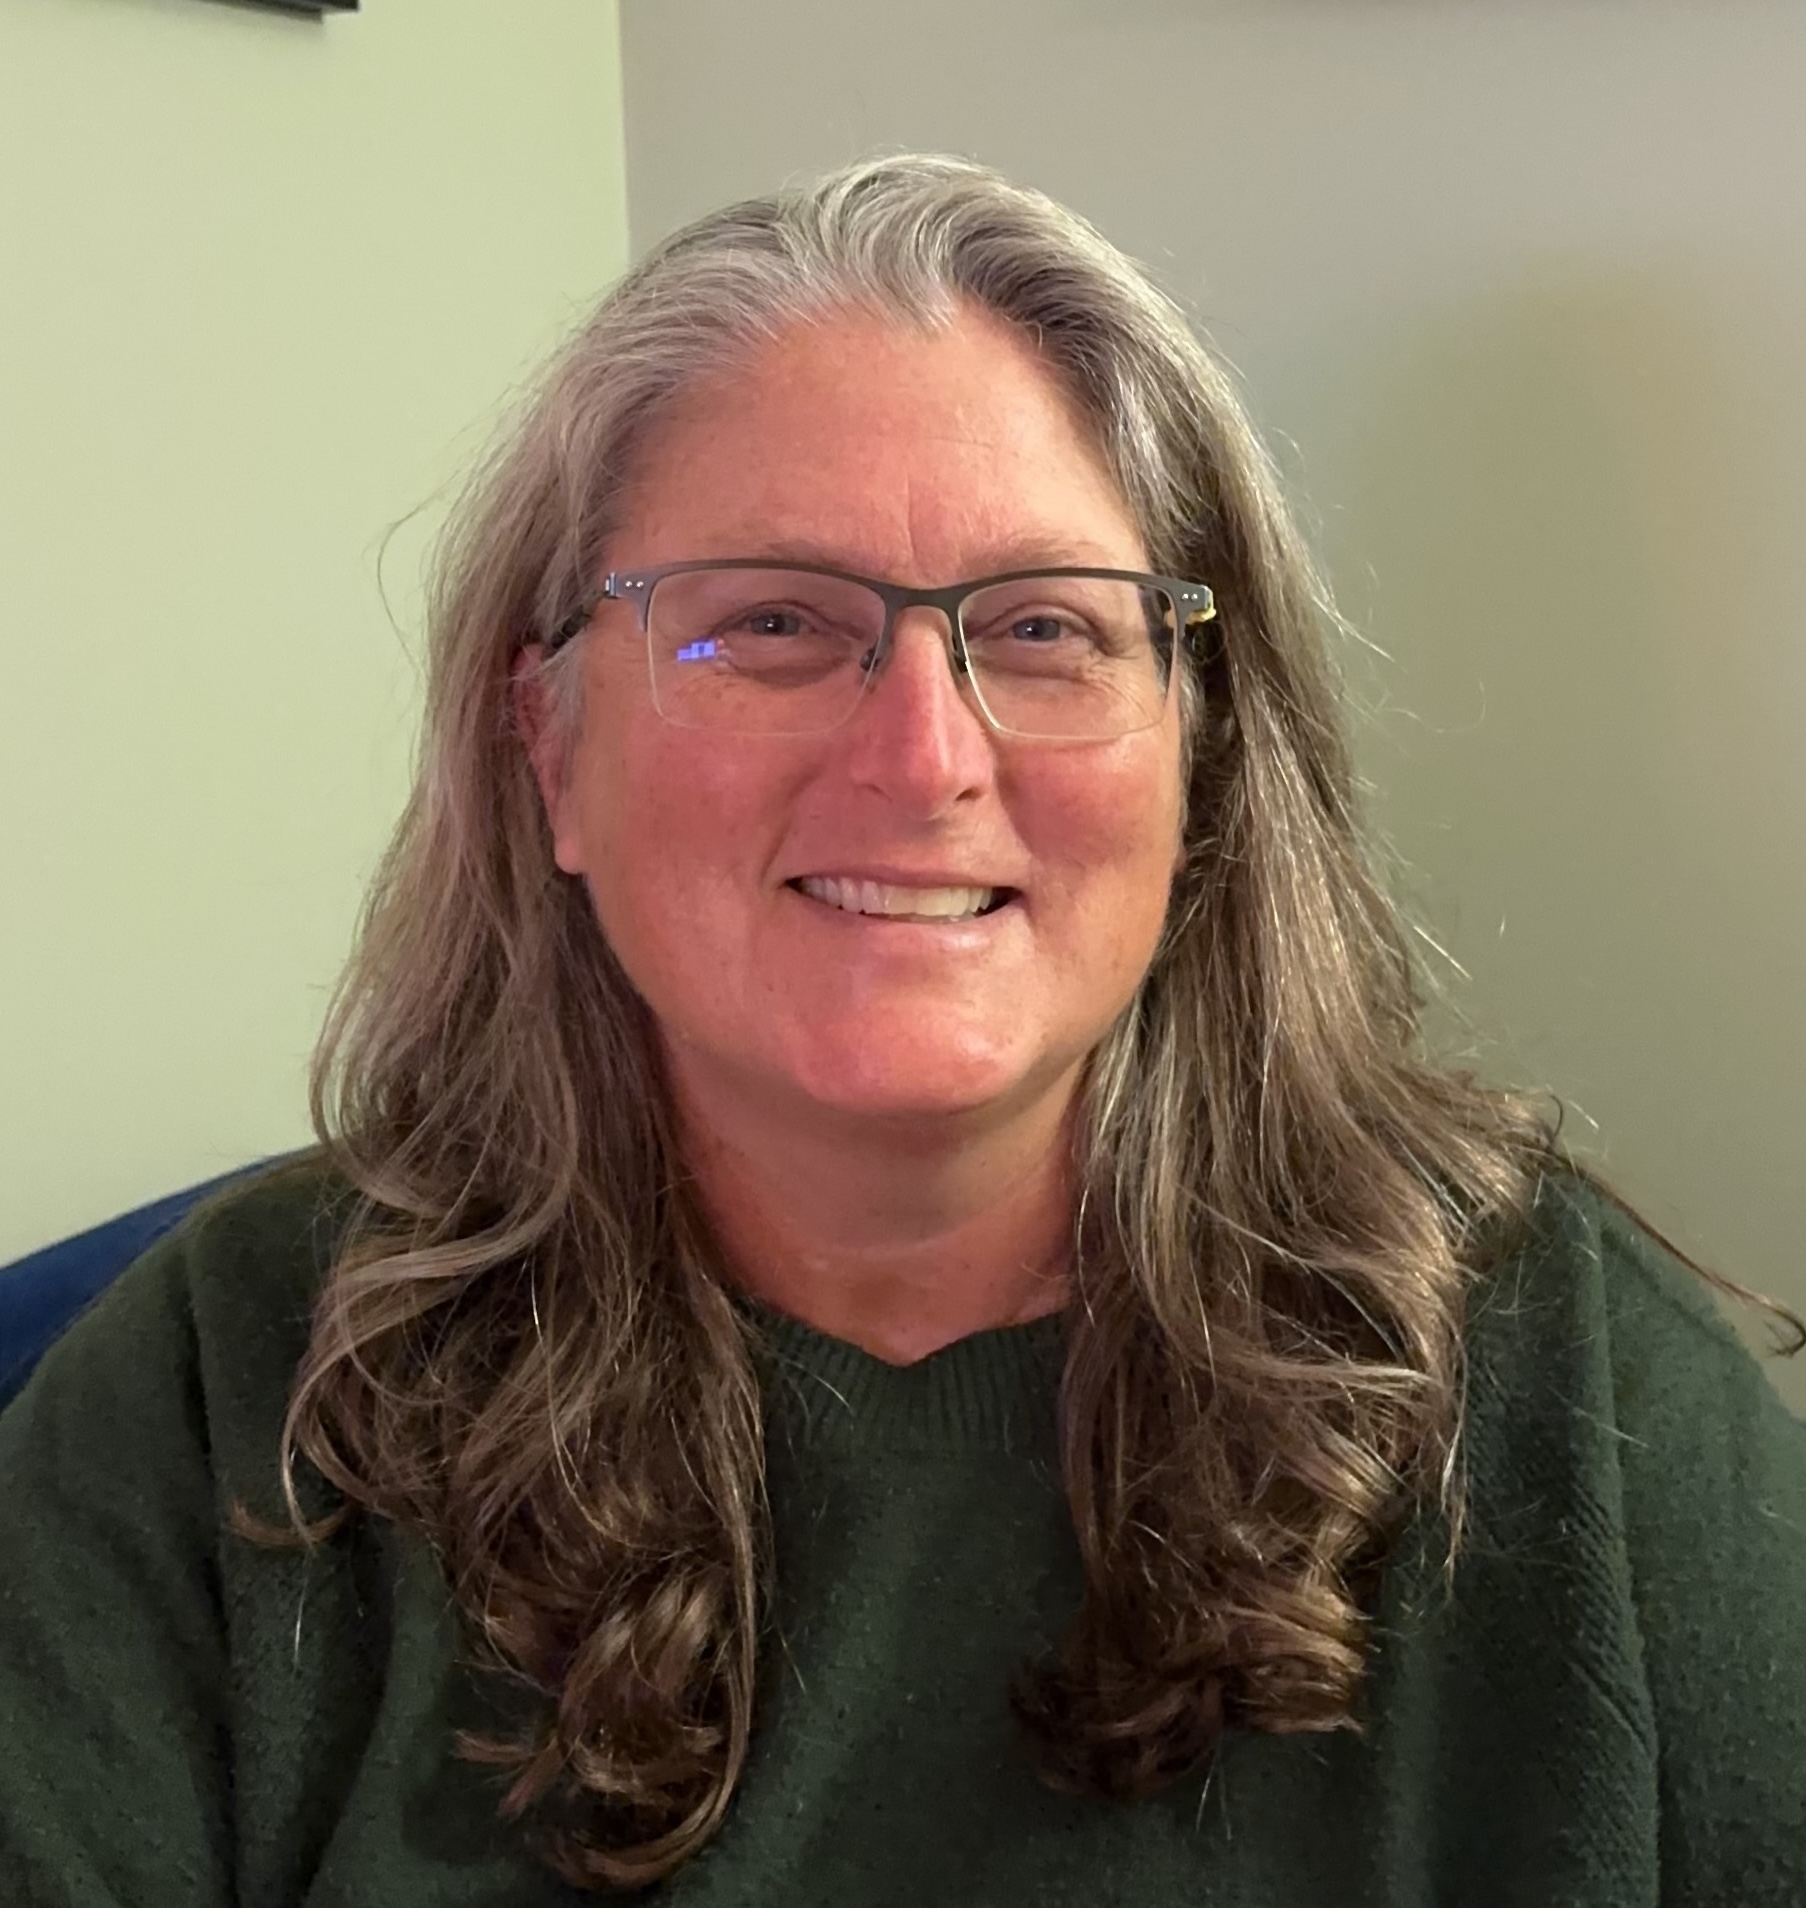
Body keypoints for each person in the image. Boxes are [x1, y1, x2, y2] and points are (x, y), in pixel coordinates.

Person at [1, 154, 1802, 1907]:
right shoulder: (222, 1400)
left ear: (1201, 757)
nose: (922, 755)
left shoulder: (1566, 1385)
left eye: (1043, 629)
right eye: (773, 624)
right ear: (549, 748)